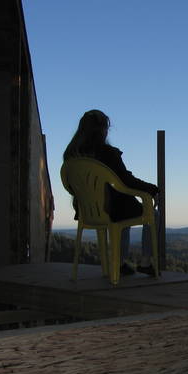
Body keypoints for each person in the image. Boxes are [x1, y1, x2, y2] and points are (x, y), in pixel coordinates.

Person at [63, 109, 158, 276]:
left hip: (86, 211)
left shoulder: (71, 156)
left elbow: (70, 186)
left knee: (124, 212)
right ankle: (144, 262)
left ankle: (119, 264)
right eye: (107, 127)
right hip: (112, 209)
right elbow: (126, 180)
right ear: (102, 130)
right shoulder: (107, 153)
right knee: (152, 215)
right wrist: (153, 189)